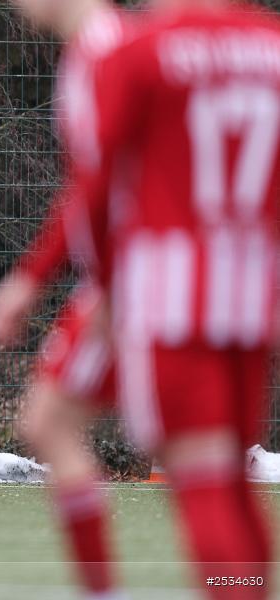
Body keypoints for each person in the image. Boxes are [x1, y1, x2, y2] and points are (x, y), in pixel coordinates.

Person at [64, 0, 280, 597]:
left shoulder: (143, 52)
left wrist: (106, 285)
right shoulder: (271, 46)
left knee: (202, 482)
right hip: (250, 300)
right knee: (232, 483)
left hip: (172, 302)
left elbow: (99, 184)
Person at [0, 2, 131, 598]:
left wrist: (27, 281)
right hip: (129, 279)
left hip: (136, 282)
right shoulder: (93, 54)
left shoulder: (105, 55)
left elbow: (99, 185)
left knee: (203, 462)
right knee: (48, 420)